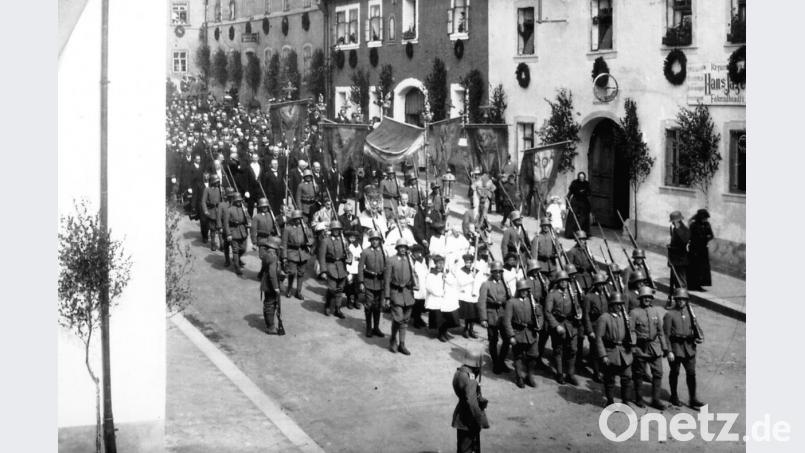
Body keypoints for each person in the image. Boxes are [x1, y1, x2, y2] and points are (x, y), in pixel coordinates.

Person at [663, 288, 705, 409]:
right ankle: (674, 396)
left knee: (691, 374)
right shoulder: (669, 314)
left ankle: (693, 398)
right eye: (679, 299)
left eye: (683, 299)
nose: (681, 301)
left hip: (689, 347)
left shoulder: (690, 313)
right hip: (676, 348)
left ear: (687, 300)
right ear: (675, 300)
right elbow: (666, 335)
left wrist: (700, 337)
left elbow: (697, 327)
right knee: (675, 372)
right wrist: (668, 351)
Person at [630, 286, 669, 410]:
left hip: (654, 346)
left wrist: (664, 347)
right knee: (639, 373)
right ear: (640, 299)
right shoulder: (634, 312)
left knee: (658, 373)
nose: (647, 299)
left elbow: (660, 331)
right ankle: (639, 398)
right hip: (641, 346)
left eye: (649, 297)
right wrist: (634, 346)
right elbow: (631, 331)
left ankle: (655, 400)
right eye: (644, 297)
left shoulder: (655, 312)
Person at [595, 292, 634, 406]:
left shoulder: (624, 317)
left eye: (621, 304)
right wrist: (603, 355)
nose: (619, 306)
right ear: (611, 305)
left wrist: (631, 343)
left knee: (627, 377)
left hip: (624, 351)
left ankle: (625, 401)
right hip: (610, 352)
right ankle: (610, 401)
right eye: (616, 304)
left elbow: (631, 332)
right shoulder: (604, 318)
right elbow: (599, 338)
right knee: (610, 379)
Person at [503, 279, 544, 388]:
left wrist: (539, 325)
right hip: (518, 333)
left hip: (531, 333)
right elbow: (506, 321)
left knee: (534, 355)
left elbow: (540, 315)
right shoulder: (511, 302)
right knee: (518, 357)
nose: (524, 292)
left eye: (526, 290)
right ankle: (519, 377)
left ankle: (529, 376)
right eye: (522, 290)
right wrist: (511, 336)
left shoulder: (532, 301)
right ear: (518, 290)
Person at [545, 270, 581, 385]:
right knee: (558, 349)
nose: (564, 283)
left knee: (573, 349)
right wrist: (556, 326)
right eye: (562, 281)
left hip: (571, 324)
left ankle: (570, 374)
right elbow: (547, 312)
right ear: (558, 282)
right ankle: (560, 374)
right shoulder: (552, 294)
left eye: (566, 281)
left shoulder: (571, 293)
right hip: (559, 323)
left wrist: (579, 313)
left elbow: (577, 306)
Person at [451, 345, 489, 453]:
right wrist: (479, 419)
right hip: (469, 418)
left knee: (462, 447)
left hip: (461, 414)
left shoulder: (459, 373)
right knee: (469, 448)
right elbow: (472, 403)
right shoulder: (471, 379)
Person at [478, 261, 512, 374]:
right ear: (492, 272)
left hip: (503, 315)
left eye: (500, 272)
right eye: (495, 272)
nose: (498, 274)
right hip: (491, 315)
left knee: (507, 339)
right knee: (493, 340)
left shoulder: (505, 283)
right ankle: (496, 363)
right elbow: (481, 302)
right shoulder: (486, 284)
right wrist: (483, 318)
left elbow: (509, 299)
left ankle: (501, 361)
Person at [384, 238, 417, 354]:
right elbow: (387, 279)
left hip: (408, 293)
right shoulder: (391, 260)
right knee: (398, 318)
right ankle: (393, 339)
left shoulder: (410, 260)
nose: (403, 249)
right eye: (400, 247)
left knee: (405, 320)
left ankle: (402, 344)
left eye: (405, 247)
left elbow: (415, 275)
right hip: (396, 292)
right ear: (397, 248)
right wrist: (387, 297)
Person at [318, 220, 349, 319]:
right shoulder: (326, 241)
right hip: (330, 266)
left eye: (338, 229)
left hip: (342, 267)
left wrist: (349, 257)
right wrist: (323, 271)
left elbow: (348, 253)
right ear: (331, 230)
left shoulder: (343, 240)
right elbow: (321, 257)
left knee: (340, 289)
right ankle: (328, 304)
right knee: (332, 289)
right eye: (334, 229)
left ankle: (337, 309)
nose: (336, 231)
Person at [581, 271, 609, 383]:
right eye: (599, 284)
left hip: (605, 325)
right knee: (595, 350)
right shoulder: (589, 297)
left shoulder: (605, 295)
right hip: (594, 324)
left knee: (604, 348)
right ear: (595, 284)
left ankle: (603, 370)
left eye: (602, 284)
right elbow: (586, 315)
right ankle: (596, 373)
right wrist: (589, 330)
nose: (601, 286)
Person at [358, 230, 386, 337]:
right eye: (373, 240)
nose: (375, 242)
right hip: (369, 282)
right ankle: (369, 328)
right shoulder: (366, 252)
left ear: (380, 241)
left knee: (378, 306)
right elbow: (360, 267)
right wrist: (361, 282)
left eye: (377, 240)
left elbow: (386, 267)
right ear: (370, 241)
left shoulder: (383, 252)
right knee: (369, 305)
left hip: (380, 282)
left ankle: (376, 327)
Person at [281, 209, 313, 299]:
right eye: (295, 219)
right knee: (292, 272)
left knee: (301, 273)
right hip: (292, 252)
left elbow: (311, 237)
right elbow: (284, 243)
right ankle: (289, 289)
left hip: (303, 253)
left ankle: (298, 292)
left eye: (299, 218)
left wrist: (309, 242)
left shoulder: (305, 227)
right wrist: (284, 257)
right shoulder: (288, 228)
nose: (297, 220)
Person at [223, 193, 252, 276]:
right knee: (235, 250)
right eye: (237, 201)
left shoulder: (244, 209)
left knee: (243, 249)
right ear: (234, 201)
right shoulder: (229, 210)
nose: (239, 202)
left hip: (243, 231)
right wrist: (228, 234)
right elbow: (226, 224)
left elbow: (248, 217)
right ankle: (237, 267)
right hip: (234, 232)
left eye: (240, 201)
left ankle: (237, 259)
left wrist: (249, 222)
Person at [260, 237, 284, 334]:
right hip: (270, 283)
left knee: (268, 303)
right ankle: (270, 327)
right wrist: (276, 287)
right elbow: (272, 273)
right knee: (270, 304)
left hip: (266, 281)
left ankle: (269, 324)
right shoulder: (273, 256)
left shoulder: (266, 254)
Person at [687, 209, 714, 291]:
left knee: (702, 268)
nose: (705, 220)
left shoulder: (707, 224)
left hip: (703, 249)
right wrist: (698, 239)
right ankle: (691, 285)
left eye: (706, 218)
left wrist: (706, 238)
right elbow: (690, 236)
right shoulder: (694, 225)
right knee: (694, 267)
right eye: (704, 218)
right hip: (694, 249)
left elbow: (711, 235)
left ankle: (699, 285)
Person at [456, 254, 480, 338]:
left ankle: (471, 329)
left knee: (473, 315)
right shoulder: (461, 271)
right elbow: (461, 282)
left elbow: (478, 282)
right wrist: (471, 277)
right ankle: (465, 329)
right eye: (467, 262)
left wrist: (475, 292)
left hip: (474, 296)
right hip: (465, 295)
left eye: (470, 263)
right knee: (467, 314)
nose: (468, 264)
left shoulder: (476, 271)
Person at [251, 198, 276, 279]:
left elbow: (275, 226)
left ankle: (263, 273)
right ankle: (263, 274)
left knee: (270, 259)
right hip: (262, 240)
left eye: (266, 206)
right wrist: (254, 243)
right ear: (260, 207)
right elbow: (253, 230)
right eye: (263, 206)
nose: (264, 208)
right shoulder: (256, 217)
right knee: (264, 258)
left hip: (271, 240)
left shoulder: (271, 215)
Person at [201, 174, 225, 251]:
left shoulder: (220, 189)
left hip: (219, 211)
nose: (217, 183)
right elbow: (203, 201)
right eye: (216, 182)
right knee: (213, 229)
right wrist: (205, 210)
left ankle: (222, 244)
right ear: (212, 182)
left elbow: (223, 200)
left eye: (218, 182)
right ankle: (213, 243)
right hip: (211, 211)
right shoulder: (207, 189)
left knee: (220, 228)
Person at [564, 171, 591, 238]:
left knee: (583, 218)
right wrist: (567, 204)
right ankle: (570, 234)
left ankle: (584, 234)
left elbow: (589, 195)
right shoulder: (574, 183)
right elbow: (569, 194)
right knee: (572, 217)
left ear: (584, 177)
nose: (581, 178)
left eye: (583, 177)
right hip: (575, 201)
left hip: (584, 202)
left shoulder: (586, 184)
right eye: (580, 177)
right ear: (578, 177)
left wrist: (589, 206)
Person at [667, 210, 690, 289]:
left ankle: (682, 297)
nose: (672, 223)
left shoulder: (681, 230)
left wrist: (670, 247)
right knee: (676, 280)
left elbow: (684, 240)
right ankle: (678, 297)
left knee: (680, 280)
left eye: (673, 221)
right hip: (676, 259)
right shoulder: (678, 229)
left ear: (677, 221)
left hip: (679, 259)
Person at [410, 244, 430, 329]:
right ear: (413, 252)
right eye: (416, 252)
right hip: (416, 283)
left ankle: (419, 318)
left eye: (419, 252)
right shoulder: (411, 260)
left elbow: (425, 270)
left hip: (423, 283)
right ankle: (416, 320)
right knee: (416, 302)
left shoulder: (423, 259)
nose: (418, 254)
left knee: (422, 302)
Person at [344, 230, 363, 309]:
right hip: (350, 267)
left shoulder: (358, 245)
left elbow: (361, 254)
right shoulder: (347, 245)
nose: (352, 239)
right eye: (350, 237)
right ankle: (349, 300)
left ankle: (356, 300)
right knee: (349, 285)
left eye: (353, 237)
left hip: (357, 267)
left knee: (357, 285)